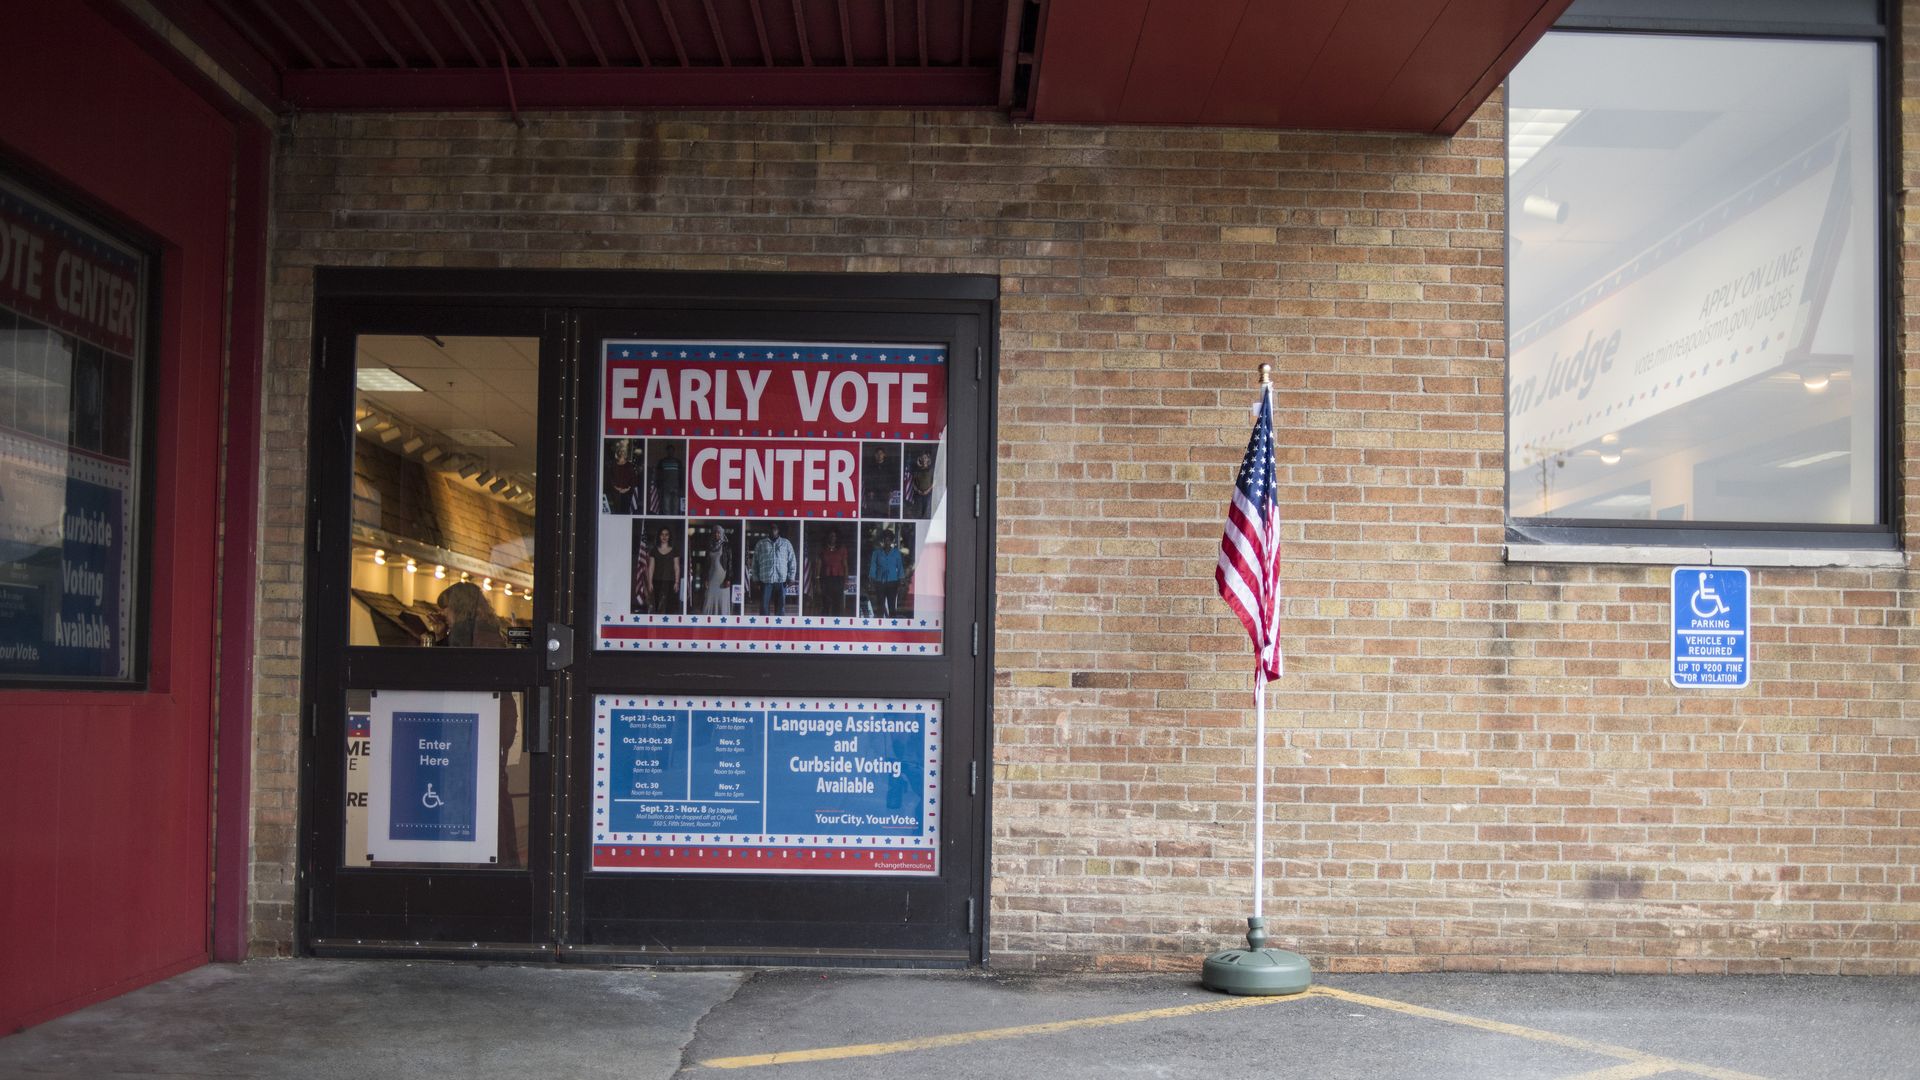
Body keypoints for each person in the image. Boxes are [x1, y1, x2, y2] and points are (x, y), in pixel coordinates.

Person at [419, 579, 521, 867]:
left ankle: (492, 857)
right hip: (493, 716)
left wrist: (441, 638)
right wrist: (441, 634)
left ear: (459, 608)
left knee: (487, 788)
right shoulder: (483, 633)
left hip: (485, 719)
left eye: (447, 609)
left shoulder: (471, 635)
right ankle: (500, 857)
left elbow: (447, 673)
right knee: (493, 786)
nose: (444, 615)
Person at [752, 524, 797, 617]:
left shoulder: (786, 543)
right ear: (768, 530)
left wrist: (792, 577)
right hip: (766, 580)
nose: (773, 531)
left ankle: (779, 629)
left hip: (781, 581)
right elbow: (755, 563)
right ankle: (764, 629)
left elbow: (792, 561)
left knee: (780, 608)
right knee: (764, 607)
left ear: (778, 530)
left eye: (775, 529)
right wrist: (755, 579)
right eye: (771, 529)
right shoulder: (761, 544)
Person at [866, 528, 908, 618]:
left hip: (893, 582)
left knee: (891, 605)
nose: (887, 541)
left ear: (892, 540)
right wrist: (871, 581)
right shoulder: (876, 553)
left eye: (889, 540)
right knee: (880, 604)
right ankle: (880, 625)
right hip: (880, 581)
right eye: (885, 539)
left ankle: (892, 625)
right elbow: (873, 567)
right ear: (883, 540)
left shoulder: (896, 553)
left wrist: (901, 580)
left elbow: (900, 567)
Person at [815, 528, 849, 617]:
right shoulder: (823, 549)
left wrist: (846, 581)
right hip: (826, 579)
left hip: (838, 579)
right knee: (826, 603)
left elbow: (845, 565)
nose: (832, 538)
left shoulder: (842, 549)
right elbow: (818, 565)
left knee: (837, 603)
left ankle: (836, 624)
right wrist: (817, 582)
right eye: (830, 536)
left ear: (837, 537)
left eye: (834, 536)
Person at [649, 527, 682, 614]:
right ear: (659, 536)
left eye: (666, 534)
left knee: (669, 609)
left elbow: (677, 567)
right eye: (662, 534)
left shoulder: (675, 550)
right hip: (657, 581)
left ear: (669, 536)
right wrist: (649, 582)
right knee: (657, 607)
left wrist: (677, 582)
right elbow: (651, 567)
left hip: (670, 582)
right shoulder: (654, 550)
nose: (664, 537)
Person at [701, 526, 732, 615]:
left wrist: (728, 578)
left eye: (718, 532)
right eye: (715, 532)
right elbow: (706, 564)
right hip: (711, 576)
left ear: (722, 533)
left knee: (722, 599)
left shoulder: (726, 546)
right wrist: (705, 578)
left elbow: (730, 563)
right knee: (708, 598)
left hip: (722, 577)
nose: (716, 534)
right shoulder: (709, 546)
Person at [605, 439, 640, 514]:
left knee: (625, 511)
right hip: (615, 493)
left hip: (627, 493)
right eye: (620, 451)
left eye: (623, 452)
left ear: (626, 454)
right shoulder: (613, 465)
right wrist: (616, 488)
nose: (622, 453)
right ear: (618, 453)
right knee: (616, 511)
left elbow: (633, 478)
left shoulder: (629, 465)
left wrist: (627, 489)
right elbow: (610, 478)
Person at [905, 447, 936, 518]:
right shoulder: (917, 470)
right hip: (918, 494)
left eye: (925, 458)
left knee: (927, 511)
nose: (924, 459)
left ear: (928, 459)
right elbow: (913, 482)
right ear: (920, 459)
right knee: (918, 510)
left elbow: (934, 482)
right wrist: (918, 491)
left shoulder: (931, 470)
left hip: (928, 494)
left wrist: (927, 491)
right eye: (922, 458)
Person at [653, 444, 684, 514]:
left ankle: (674, 521)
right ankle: (667, 520)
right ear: (667, 451)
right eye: (669, 451)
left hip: (676, 487)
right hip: (665, 487)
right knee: (666, 506)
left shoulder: (678, 462)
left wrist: (681, 487)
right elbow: (658, 475)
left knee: (675, 506)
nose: (670, 452)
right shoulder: (662, 462)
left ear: (674, 451)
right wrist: (658, 485)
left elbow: (681, 475)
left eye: (671, 451)